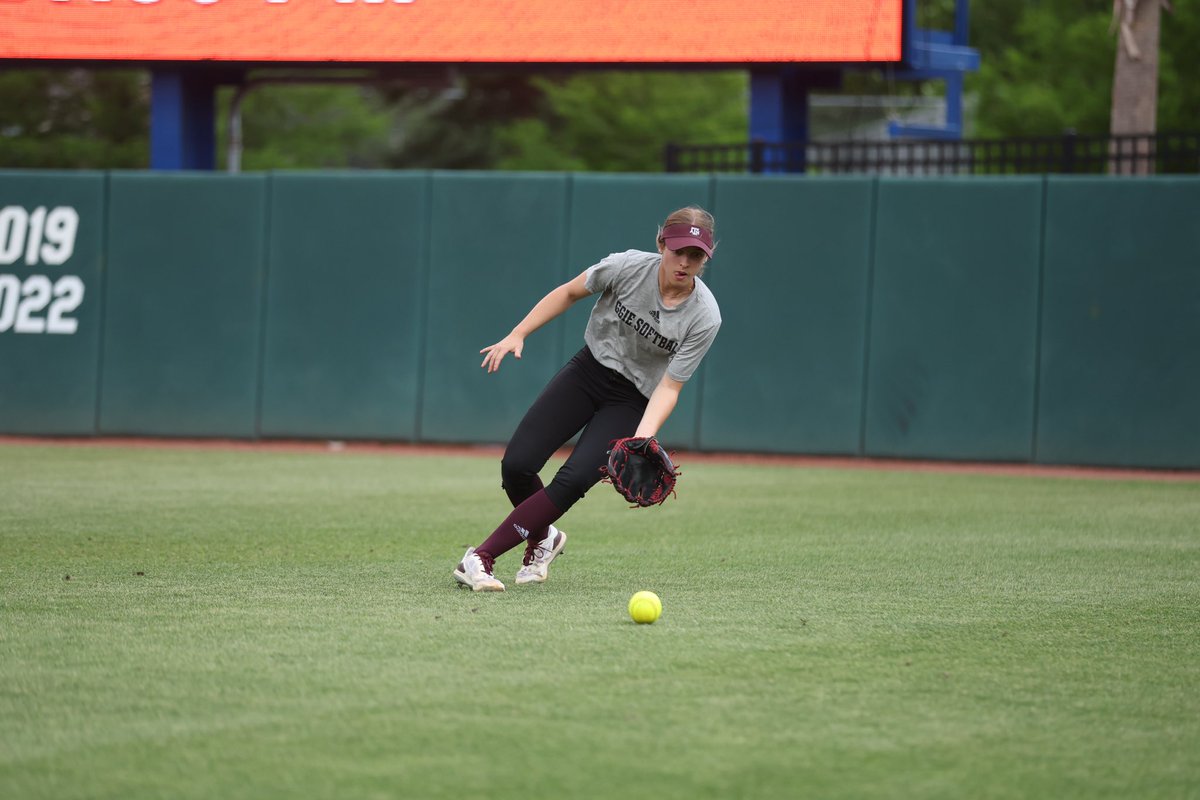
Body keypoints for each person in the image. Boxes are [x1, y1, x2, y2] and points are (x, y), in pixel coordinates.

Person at [453, 206, 723, 592]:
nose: (684, 262)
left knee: (574, 478)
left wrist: (640, 438)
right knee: (517, 465)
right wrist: (519, 333)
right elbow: (569, 292)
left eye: (695, 255)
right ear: (661, 243)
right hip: (588, 371)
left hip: (632, 399)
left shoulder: (705, 317)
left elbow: (670, 386)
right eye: (678, 250)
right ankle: (545, 538)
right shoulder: (628, 267)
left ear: (705, 258)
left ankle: (481, 556)